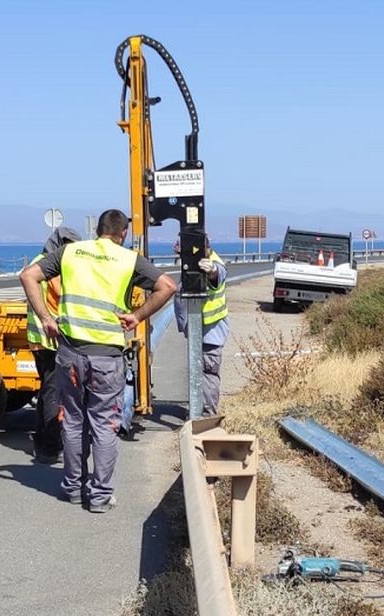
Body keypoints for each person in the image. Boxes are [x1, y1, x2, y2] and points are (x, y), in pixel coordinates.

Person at [20, 209, 178, 512]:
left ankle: (73, 488)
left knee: (74, 422)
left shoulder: (70, 252)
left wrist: (45, 318)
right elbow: (168, 286)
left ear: (98, 231)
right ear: (123, 234)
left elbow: (28, 275)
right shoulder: (127, 258)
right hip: (106, 357)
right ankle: (101, 495)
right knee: (104, 425)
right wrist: (137, 316)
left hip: (71, 353)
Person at [24, 227, 83, 462]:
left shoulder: (39, 260)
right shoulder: (53, 264)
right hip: (50, 336)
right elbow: (60, 293)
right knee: (53, 391)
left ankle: (41, 439)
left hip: (39, 337)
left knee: (45, 387)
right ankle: (50, 446)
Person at [173, 241, 229, 414]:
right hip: (201, 331)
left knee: (207, 374)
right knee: (199, 372)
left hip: (210, 332)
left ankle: (206, 413)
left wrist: (211, 270)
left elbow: (217, 274)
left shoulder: (211, 263)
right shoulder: (194, 263)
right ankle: (199, 409)